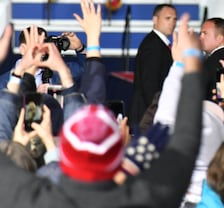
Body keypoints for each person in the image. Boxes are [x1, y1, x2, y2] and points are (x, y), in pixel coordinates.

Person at [0, 10, 208, 208]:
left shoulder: (29, 196)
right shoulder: (141, 198)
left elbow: (184, 145)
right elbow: (187, 142)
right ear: (117, 153)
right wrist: (187, 63)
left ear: (63, 149)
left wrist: (21, 73)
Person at [129, 3, 177, 129]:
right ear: (155, 20)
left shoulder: (158, 44)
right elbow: (150, 85)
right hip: (149, 116)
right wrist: (157, 113)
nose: (172, 23)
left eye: (174, 19)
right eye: (167, 18)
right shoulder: (153, 45)